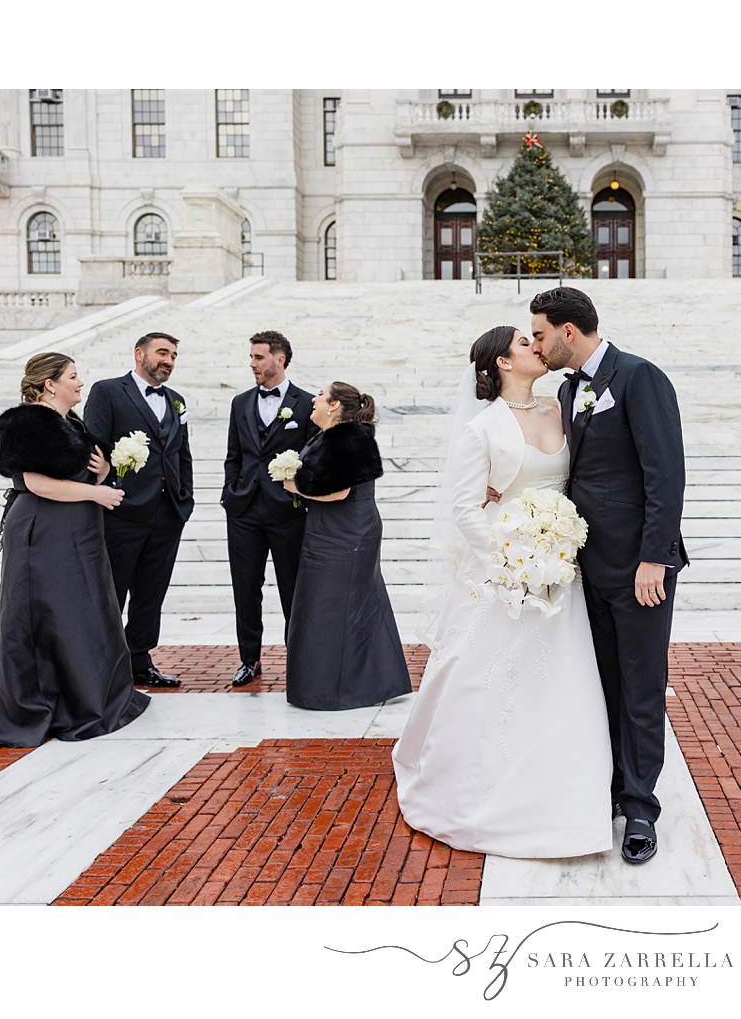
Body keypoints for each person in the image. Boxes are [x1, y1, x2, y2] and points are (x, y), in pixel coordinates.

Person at [393, 327, 613, 858]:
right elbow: (466, 508)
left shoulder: (561, 407)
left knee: (565, 681)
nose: (537, 346)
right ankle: (474, 790)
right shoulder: (482, 427)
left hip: (562, 571)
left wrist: (552, 552)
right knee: (488, 680)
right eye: (523, 342)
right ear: (502, 362)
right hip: (505, 574)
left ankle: (569, 795)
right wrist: (508, 561)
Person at [530, 287, 688, 866]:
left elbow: (665, 474)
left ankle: (642, 806)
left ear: (570, 331)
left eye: (542, 334)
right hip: (585, 567)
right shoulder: (569, 389)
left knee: (642, 688)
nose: (538, 346)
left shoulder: (640, 378)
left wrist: (655, 556)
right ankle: (612, 787)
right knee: (604, 686)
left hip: (640, 567)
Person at [0, 352, 150, 748]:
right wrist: (97, 492)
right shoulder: (27, 422)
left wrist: (105, 472)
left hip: (79, 532)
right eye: (74, 377)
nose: (81, 383)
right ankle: (46, 707)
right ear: (50, 385)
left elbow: (82, 470)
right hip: (45, 533)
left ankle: (89, 699)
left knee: (83, 612)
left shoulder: (70, 422)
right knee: (51, 614)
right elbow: (36, 482)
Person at [282, 382, 411, 710]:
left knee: (331, 609)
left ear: (335, 404)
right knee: (331, 607)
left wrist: (293, 485)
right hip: (332, 530)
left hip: (347, 534)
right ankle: (366, 683)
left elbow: (338, 492)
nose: (313, 399)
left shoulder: (349, 437)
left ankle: (333, 691)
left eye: (320, 396)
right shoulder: (335, 434)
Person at [82, 332, 192, 689]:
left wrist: (184, 500)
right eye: (163, 352)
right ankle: (104, 665)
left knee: (151, 593)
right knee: (113, 590)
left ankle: (140, 660)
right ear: (139, 353)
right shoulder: (108, 391)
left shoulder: (176, 400)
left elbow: (181, 455)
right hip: (121, 512)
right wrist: (108, 486)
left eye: (174, 355)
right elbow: (93, 445)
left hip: (167, 514)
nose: (169, 360)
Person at [221, 330, 319, 687]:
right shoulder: (240, 402)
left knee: (293, 590)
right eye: (251, 357)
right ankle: (250, 659)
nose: (252, 364)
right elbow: (234, 453)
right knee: (245, 588)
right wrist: (230, 492)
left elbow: (312, 457)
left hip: (287, 512)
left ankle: (300, 659)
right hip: (244, 510)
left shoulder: (307, 403)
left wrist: (300, 496)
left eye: (258, 357)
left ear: (280, 359)